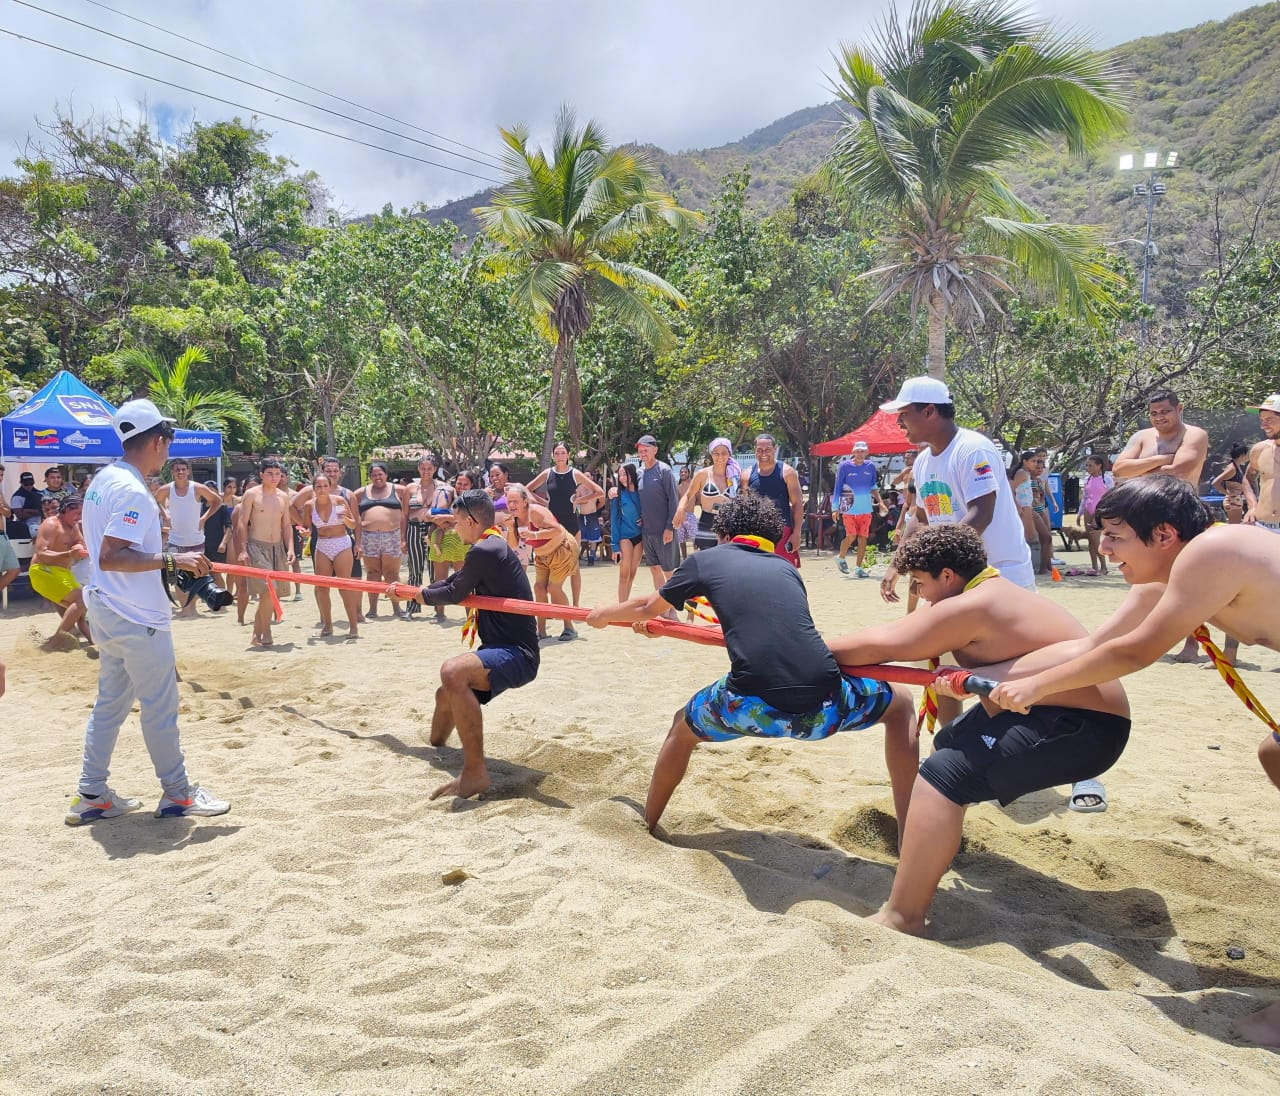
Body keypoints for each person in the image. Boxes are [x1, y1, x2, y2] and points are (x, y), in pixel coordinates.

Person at [982, 474, 1280, 1047]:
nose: (1105, 549)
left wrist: (1036, 690)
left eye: (1116, 536)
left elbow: (1135, 653)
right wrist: (983, 674)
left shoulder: (1212, 551)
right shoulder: (1174, 571)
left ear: (1164, 534)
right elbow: (1095, 647)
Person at [826, 524, 1131, 934]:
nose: (922, 597)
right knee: (949, 746)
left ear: (948, 576)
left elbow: (883, 643)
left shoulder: (973, 605)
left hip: (1083, 727)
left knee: (943, 775)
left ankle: (903, 916)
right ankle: (932, 853)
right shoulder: (990, 592)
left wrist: (802, 651)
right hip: (1052, 711)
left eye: (921, 584)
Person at [585, 492, 914, 833]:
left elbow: (646, 606)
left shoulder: (707, 560)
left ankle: (649, 822)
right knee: (901, 703)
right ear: (769, 537)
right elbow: (765, 628)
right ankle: (909, 831)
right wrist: (665, 626)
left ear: (724, 533)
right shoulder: (786, 568)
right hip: (824, 705)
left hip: (747, 705)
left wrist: (603, 615)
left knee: (681, 728)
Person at [65, 398, 229, 824]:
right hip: (136, 615)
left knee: (110, 705)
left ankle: (92, 794)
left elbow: (112, 553)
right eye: (168, 439)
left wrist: (165, 557)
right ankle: (178, 794)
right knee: (159, 707)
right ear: (158, 441)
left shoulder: (105, 478)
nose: (169, 447)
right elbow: (111, 555)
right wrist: (172, 562)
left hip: (108, 608)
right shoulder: (133, 489)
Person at [408, 489, 540, 801]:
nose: (453, 528)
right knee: (446, 695)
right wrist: (420, 590)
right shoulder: (490, 544)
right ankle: (437, 748)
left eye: (456, 522)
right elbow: (456, 583)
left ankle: (475, 771)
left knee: (453, 672)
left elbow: (454, 593)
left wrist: (419, 596)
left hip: (517, 653)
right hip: (500, 647)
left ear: (470, 521)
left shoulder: (486, 549)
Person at [878, 377, 1035, 600]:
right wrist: (899, 564)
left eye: (903, 414)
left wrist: (933, 563)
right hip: (951, 578)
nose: (898, 422)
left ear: (929, 411)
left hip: (1000, 577)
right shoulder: (923, 462)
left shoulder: (971, 449)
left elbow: (981, 514)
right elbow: (921, 518)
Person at [1113, 388, 1209, 662]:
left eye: (1165, 411)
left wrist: (1141, 467)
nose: (1159, 417)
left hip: (1184, 515)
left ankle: (1193, 643)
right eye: (1154, 413)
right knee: (1146, 578)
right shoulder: (1143, 437)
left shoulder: (1194, 434)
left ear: (1179, 409)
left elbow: (1180, 470)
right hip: (1146, 517)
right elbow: (1119, 469)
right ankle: (1144, 638)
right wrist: (1163, 459)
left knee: (1189, 583)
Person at [526, 443, 604, 607]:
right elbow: (527, 490)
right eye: (557, 453)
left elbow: (599, 492)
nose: (560, 456)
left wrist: (579, 500)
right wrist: (544, 504)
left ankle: (575, 606)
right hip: (552, 524)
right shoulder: (547, 473)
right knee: (547, 563)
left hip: (571, 523)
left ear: (568, 455)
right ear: (553, 455)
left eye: (563, 453)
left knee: (574, 567)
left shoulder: (575, 474)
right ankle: (549, 608)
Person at [235, 458, 296, 647]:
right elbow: (241, 523)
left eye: (277, 474)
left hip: (277, 547)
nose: (274, 477)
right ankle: (266, 631)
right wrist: (243, 550)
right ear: (261, 475)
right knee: (269, 590)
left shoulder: (283, 497)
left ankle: (256, 633)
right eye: (270, 473)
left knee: (270, 594)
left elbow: (287, 525)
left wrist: (291, 548)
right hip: (256, 546)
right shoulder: (252, 494)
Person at [505, 483, 578, 640]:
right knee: (539, 588)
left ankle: (569, 627)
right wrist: (510, 528)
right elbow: (513, 544)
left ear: (525, 501)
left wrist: (535, 535)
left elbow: (557, 529)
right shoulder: (514, 519)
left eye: (515, 501)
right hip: (542, 555)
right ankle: (541, 631)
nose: (511, 505)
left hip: (561, 549)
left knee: (554, 588)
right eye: (509, 501)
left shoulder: (536, 512)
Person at [154, 459, 224, 618]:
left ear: (188, 471)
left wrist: (204, 518)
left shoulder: (197, 488)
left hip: (196, 539)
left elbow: (217, 501)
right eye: (177, 469)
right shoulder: (166, 489)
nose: (180, 472)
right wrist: (165, 515)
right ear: (172, 472)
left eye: (183, 469)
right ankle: (185, 607)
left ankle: (192, 607)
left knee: (196, 575)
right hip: (175, 539)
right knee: (176, 577)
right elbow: (154, 501)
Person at [296, 473, 359, 638]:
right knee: (321, 588)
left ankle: (353, 626)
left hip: (341, 543)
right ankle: (328, 625)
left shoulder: (338, 501)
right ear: (314, 488)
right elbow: (308, 528)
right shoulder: (310, 505)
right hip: (322, 545)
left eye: (325, 486)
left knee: (344, 587)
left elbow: (353, 523)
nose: (322, 489)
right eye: (319, 486)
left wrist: (344, 517)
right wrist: (304, 532)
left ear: (329, 487)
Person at [31, 494, 92, 645]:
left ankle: (93, 640)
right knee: (82, 599)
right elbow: (41, 553)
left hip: (63, 573)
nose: (79, 517)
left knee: (80, 611)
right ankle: (57, 639)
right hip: (42, 570)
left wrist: (81, 548)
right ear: (66, 510)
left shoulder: (74, 526)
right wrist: (69, 553)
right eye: (77, 513)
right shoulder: (51, 524)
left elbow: (82, 546)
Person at [739, 434, 804, 567]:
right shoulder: (746, 475)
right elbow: (744, 506)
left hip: (782, 532)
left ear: (775, 449)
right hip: (755, 533)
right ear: (755, 450)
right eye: (759, 450)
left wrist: (797, 533)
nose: (763, 453)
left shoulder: (787, 473)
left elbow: (797, 504)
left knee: (785, 573)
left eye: (768, 449)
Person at [352, 461, 407, 619]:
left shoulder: (399, 490)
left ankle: (397, 607)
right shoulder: (360, 493)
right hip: (369, 537)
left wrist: (404, 537)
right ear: (370, 476)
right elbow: (353, 512)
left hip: (393, 535)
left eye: (380, 474)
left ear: (386, 475)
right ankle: (372, 609)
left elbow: (412, 501)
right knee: (372, 573)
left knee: (392, 573)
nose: (377, 477)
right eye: (374, 475)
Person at [634, 434, 682, 598]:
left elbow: (674, 502)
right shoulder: (639, 472)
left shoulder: (665, 470)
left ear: (655, 450)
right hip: (647, 532)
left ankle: (673, 609)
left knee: (668, 571)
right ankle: (661, 609)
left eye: (646, 450)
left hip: (665, 531)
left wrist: (670, 528)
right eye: (640, 450)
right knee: (654, 569)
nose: (643, 453)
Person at [673, 438, 739, 553]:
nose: (720, 457)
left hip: (729, 523)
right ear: (711, 454)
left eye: (724, 453)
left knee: (728, 563)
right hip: (707, 522)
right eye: (716, 453)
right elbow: (688, 495)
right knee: (707, 562)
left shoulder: (735, 476)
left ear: (729, 454)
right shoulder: (703, 474)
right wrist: (680, 508)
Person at [405, 455, 449, 620]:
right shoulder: (410, 488)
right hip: (414, 529)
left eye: (429, 468)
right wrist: (403, 538)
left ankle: (438, 608)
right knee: (414, 570)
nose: (426, 471)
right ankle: (411, 606)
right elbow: (404, 514)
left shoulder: (442, 487)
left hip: (434, 530)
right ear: (418, 469)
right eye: (423, 468)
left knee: (435, 570)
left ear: (435, 469)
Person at [833, 440, 884, 577]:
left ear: (867, 452)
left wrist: (880, 502)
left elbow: (873, 486)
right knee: (851, 536)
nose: (860, 454)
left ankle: (858, 568)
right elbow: (837, 487)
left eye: (863, 451)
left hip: (866, 508)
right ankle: (841, 557)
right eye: (858, 451)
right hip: (848, 507)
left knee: (863, 538)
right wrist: (835, 507)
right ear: (853, 452)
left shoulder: (870, 466)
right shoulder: (844, 467)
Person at [1244, 394, 1280, 532]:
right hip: (1263, 527)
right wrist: (1252, 506)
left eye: (1269, 420)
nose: (1263, 426)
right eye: (1262, 420)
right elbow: (1248, 478)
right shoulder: (1260, 450)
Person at [609, 462, 643, 602]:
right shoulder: (617, 495)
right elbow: (614, 521)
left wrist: (644, 519)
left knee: (633, 573)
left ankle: (626, 606)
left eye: (625, 474)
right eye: (620, 475)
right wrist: (614, 546)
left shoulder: (642, 492)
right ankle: (621, 607)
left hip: (640, 537)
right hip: (624, 537)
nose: (622, 478)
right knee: (624, 574)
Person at [1011, 450, 1046, 573]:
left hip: (1028, 507)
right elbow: (1011, 489)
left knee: (1033, 536)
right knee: (1028, 537)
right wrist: (1017, 506)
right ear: (1025, 461)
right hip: (1024, 507)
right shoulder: (1021, 473)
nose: (1035, 464)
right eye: (1033, 461)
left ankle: (1035, 566)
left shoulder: (1026, 474)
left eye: (1036, 461)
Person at [1080, 454, 1114, 576]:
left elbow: (1112, 496)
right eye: (1087, 465)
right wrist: (1079, 513)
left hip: (1099, 511)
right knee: (1090, 540)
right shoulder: (1087, 479)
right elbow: (1084, 497)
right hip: (1087, 510)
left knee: (1095, 539)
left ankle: (1104, 567)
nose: (1088, 468)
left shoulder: (1107, 479)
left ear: (1099, 466)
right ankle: (1094, 566)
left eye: (1091, 465)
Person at [1211, 443, 1251, 525]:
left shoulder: (1237, 466)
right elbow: (1215, 482)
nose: (1247, 457)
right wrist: (1227, 493)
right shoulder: (1232, 468)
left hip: (1236, 498)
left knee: (1236, 524)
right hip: (1232, 499)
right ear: (1242, 455)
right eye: (1246, 455)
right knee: (1234, 525)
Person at [575, 470, 607, 566]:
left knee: (593, 537)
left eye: (588, 476)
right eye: (584, 477)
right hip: (582, 515)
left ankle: (592, 557)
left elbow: (602, 501)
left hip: (592, 514)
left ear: (591, 478)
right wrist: (581, 501)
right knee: (581, 537)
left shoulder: (596, 489)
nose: (587, 478)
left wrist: (595, 509)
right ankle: (577, 557)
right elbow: (576, 501)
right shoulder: (579, 488)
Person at [11, 470, 45, 537]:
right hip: (24, 528)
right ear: (21, 483)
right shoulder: (17, 497)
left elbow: (44, 511)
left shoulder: (39, 494)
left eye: (31, 483)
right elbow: (20, 515)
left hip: (40, 525)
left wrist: (27, 510)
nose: (29, 486)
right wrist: (38, 512)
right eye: (26, 484)